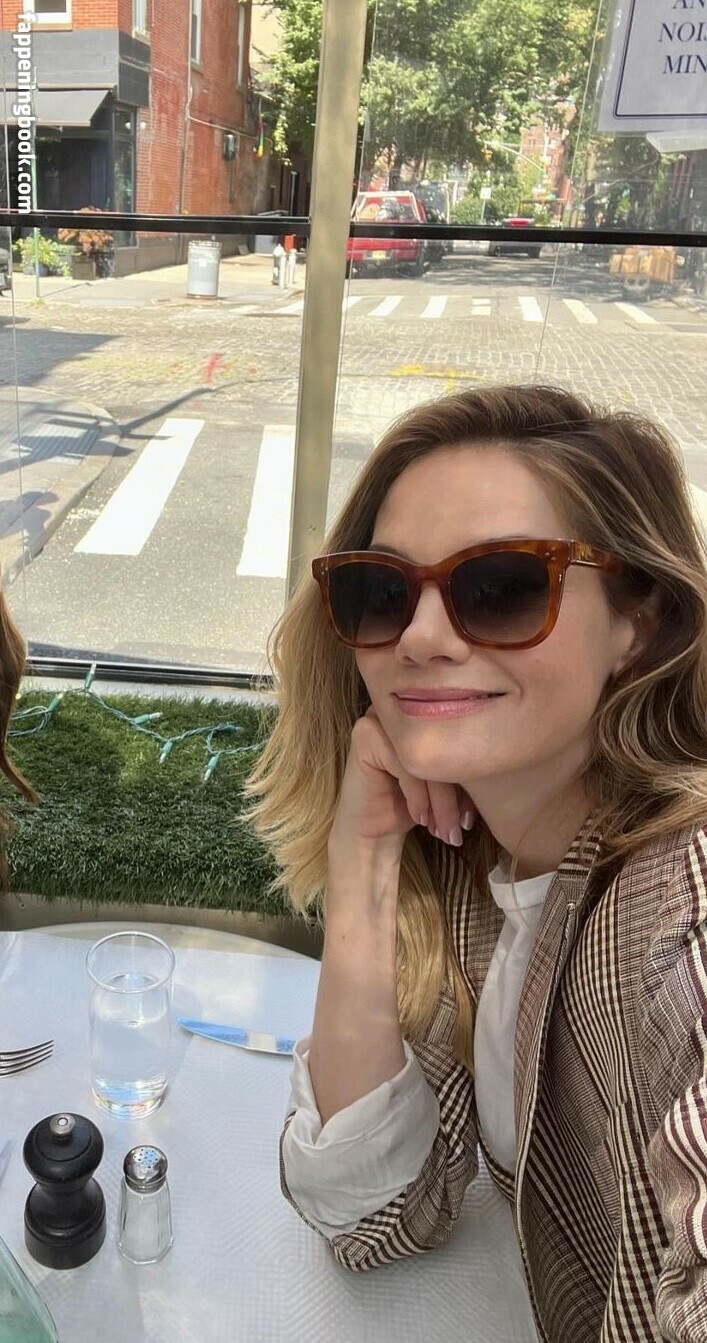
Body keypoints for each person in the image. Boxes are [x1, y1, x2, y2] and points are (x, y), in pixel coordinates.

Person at [241, 383, 707, 1343]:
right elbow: (375, 1218)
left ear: (641, 622)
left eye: (501, 587)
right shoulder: (470, 863)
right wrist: (363, 861)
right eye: (382, 591)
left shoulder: (679, 916)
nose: (419, 637)